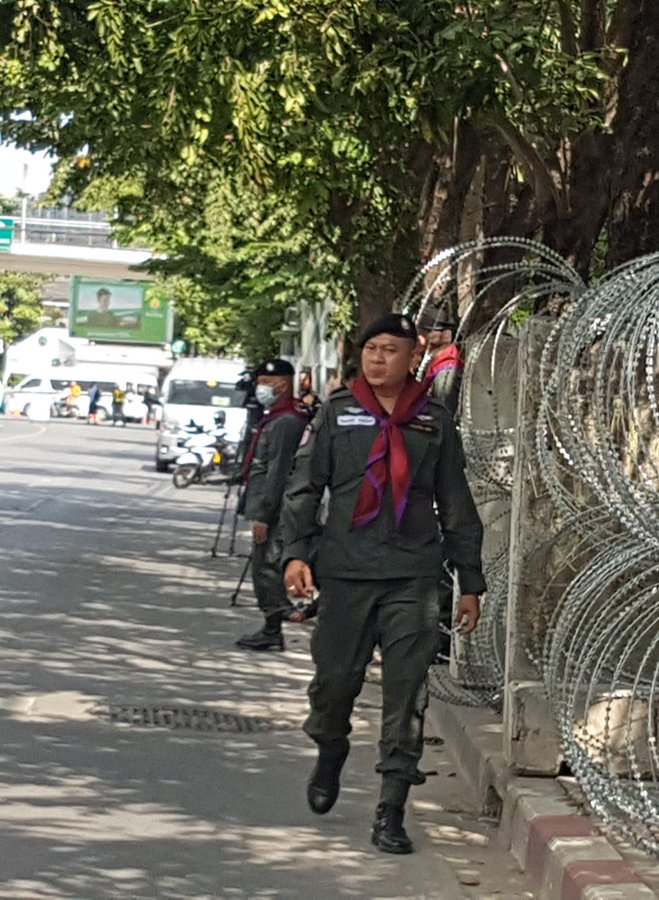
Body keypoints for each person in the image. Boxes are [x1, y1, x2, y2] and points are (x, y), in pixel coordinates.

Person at [277, 312, 485, 855]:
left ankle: (391, 810)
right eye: (371, 349)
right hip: (345, 572)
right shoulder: (336, 413)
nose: (377, 358)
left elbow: (456, 504)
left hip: (413, 577)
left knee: (406, 696)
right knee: (333, 686)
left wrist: (470, 581)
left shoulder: (433, 421)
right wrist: (295, 554)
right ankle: (330, 749)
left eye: (390, 350)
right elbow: (305, 487)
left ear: (412, 356)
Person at [235, 359, 310, 651]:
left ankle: (273, 625)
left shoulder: (287, 422)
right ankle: (273, 623)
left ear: (281, 383)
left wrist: (264, 516)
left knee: (266, 567)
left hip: (275, 510)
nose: (260, 388)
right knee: (264, 565)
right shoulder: (276, 417)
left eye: (265, 382)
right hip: (266, 505)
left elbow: (277, 473)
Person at [417, 307, 464, 414]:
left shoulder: (447, 369)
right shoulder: (436, 364)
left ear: (447, 335)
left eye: (429, 332)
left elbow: (444, 413)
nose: (423, 337)